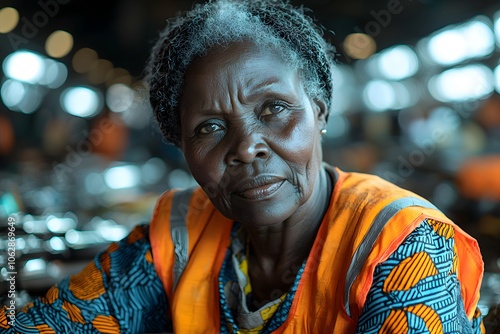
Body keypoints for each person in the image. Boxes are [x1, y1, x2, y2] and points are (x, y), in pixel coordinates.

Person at [0, 0, 486, 333]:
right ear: (180, 148)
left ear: (319, 111)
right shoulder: (177, 237)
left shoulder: (404, 247)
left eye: (274, 109)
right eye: (209, 128)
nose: (247, 147)